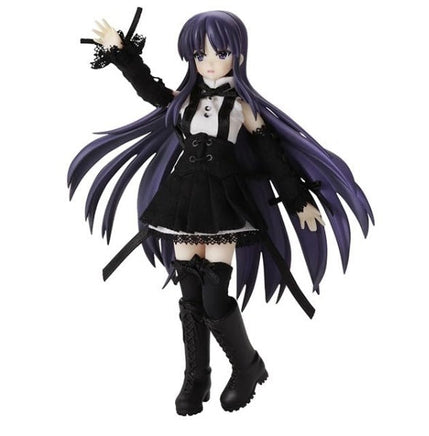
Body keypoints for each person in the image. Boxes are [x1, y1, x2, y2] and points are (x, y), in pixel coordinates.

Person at [69, 8, 373, 415]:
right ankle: (196, 376)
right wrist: (121, 52)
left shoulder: (243, 107)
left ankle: (247, 366)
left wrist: (299, 200)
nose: (210, 62)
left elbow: (273, 155)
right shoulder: (185, 101)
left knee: (214, 293)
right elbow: (148, 88)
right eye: (200, 55)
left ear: (238, 56)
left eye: (220, 53)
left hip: (223, 204)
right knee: (189, 294)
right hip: (182, 200)